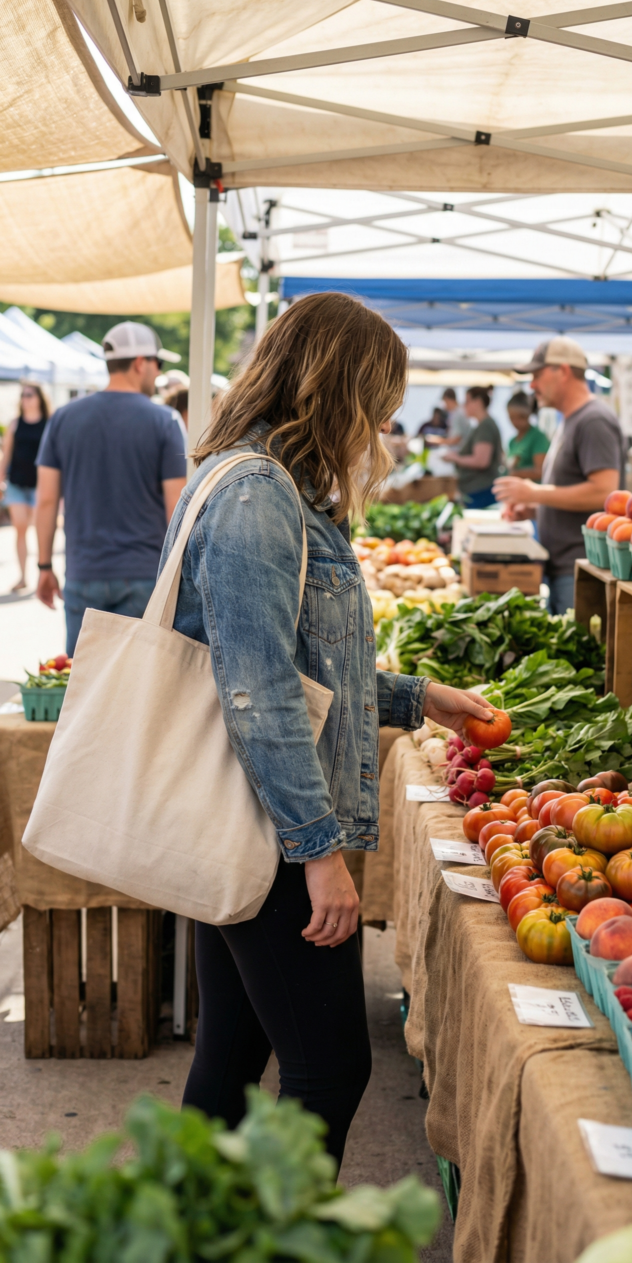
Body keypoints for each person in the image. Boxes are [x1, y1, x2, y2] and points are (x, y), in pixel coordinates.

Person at [170, 292, 493, 1164]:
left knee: (233, 1057)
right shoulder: (259, 497)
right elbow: (261, 692)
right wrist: (320, 856)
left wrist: (417, 696)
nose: (387, 424)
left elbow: (296, 663)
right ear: (339, 389)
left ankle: (196, 1233)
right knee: (329, 1069)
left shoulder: (257, 480)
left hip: (246, 811)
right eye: (380, 401)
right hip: (271, 823)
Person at [35, 322, 187, 655]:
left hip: (83, 572)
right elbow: (177, 508)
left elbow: (46, 499)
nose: (158, 374)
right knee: (136, 693)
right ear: (139, 363)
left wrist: (44, 566)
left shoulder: (63, 418)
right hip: (146, 576)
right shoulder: (166, 421)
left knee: (86, 691)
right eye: (157, 364)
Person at [493, 337, 622, 615]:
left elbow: (604, 492)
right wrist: (534, 510)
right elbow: (573, 492)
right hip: (564, 568)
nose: (532, 385)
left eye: (537, 375)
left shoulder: (593, 420)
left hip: (582, 568)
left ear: (563, 371)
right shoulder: (572, 420)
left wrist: (534, 493)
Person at [0, 383, 49, 592]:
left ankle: (43, 573)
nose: (25, 399)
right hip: (17, 484)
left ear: (39, 398)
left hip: (41, 485)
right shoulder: (15, 424)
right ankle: (22, 576)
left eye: (29, 395)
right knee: (20, 527)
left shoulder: (49, 423)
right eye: (23, 395)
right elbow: (7, 453)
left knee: (41, 530)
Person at [443, 385, 504, 508]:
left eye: (467, 401)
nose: (464, 406)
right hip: (477, 491)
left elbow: (481, 461)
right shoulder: (482, 425)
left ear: (478, 402)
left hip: (481, 492)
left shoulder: (485, 426)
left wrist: (455, 458)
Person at [505, 390, 550, 481]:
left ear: (528, 414)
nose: (515, 422)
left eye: (520, 417)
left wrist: (515, 473)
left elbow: (541, 471)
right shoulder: (512, 441)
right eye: (512, 417)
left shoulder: (538, 437)